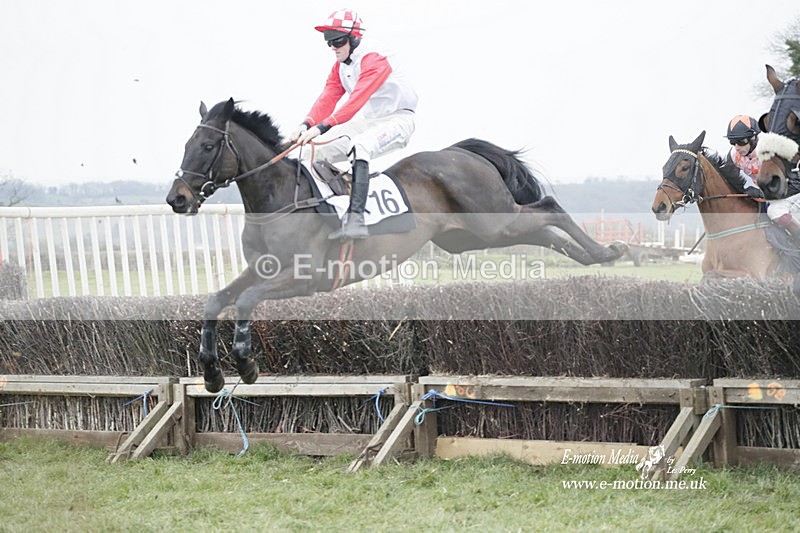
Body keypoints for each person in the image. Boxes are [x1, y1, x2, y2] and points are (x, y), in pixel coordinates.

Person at [288, 9, 418, 241]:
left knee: (360, 146)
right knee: (309, 152)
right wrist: (306, 125)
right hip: (366, 122)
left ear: (355, 37)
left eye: (337, 41)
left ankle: (356, 220)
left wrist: (321, 128)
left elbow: (355, 100)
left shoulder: (374, 57)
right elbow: (328, 97)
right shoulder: (340, 65)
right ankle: (325, 210)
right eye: (328, 41)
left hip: (398, 119)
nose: (332, 47)